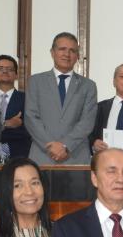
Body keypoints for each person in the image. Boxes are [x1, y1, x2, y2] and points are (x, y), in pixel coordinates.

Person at [24, 32, 98, 165]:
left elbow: (87, 122)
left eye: (72, 51)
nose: (67, 54)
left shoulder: (88, 86)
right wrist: (50, 145)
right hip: (42, 155)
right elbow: (31, 117)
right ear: (52, 52)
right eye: (62, 49)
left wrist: (66, 145)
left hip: (75, 156)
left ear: (77, 56)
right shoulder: (35, 81)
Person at [0, 55, 31, 160]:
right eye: (0, 68)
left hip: (19, 154)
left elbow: (29, 130)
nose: (5, 71)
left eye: (9, 69)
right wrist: (6, 124)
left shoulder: (27, 99)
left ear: (16, 75)